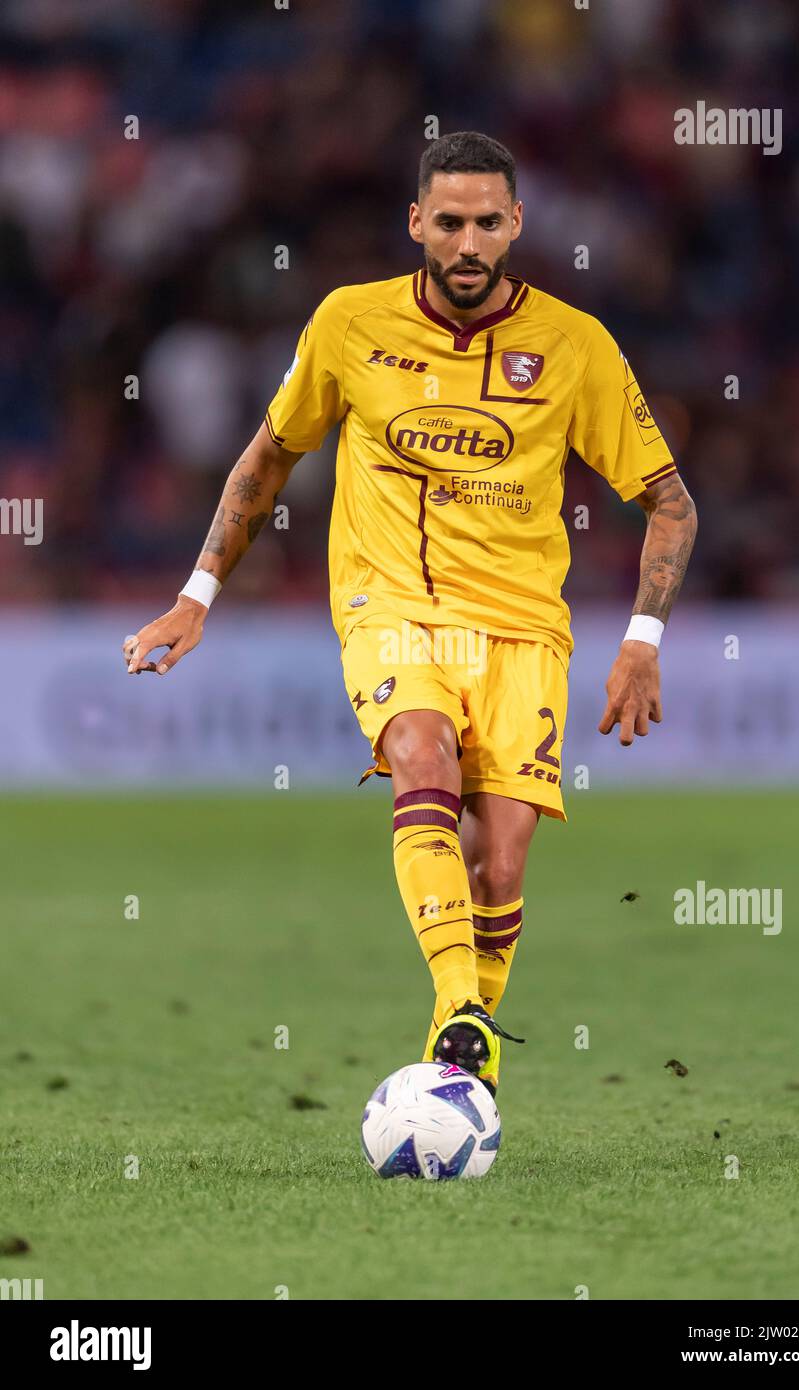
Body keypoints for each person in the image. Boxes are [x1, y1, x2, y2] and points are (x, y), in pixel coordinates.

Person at [123, 131, 697, 1098]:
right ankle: (465, 1012)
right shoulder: (351, 324)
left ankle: (453, 1063)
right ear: (416, 223)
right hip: (393, 607)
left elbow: (671, 502)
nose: (467, 244)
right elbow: (268, 459)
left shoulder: (575, 345)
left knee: (500, 867)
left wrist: (642, 643)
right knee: (421, 756)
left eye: (486, 223)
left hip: (523, 627)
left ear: (515, 225)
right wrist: (196, 594)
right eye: (448, 222)